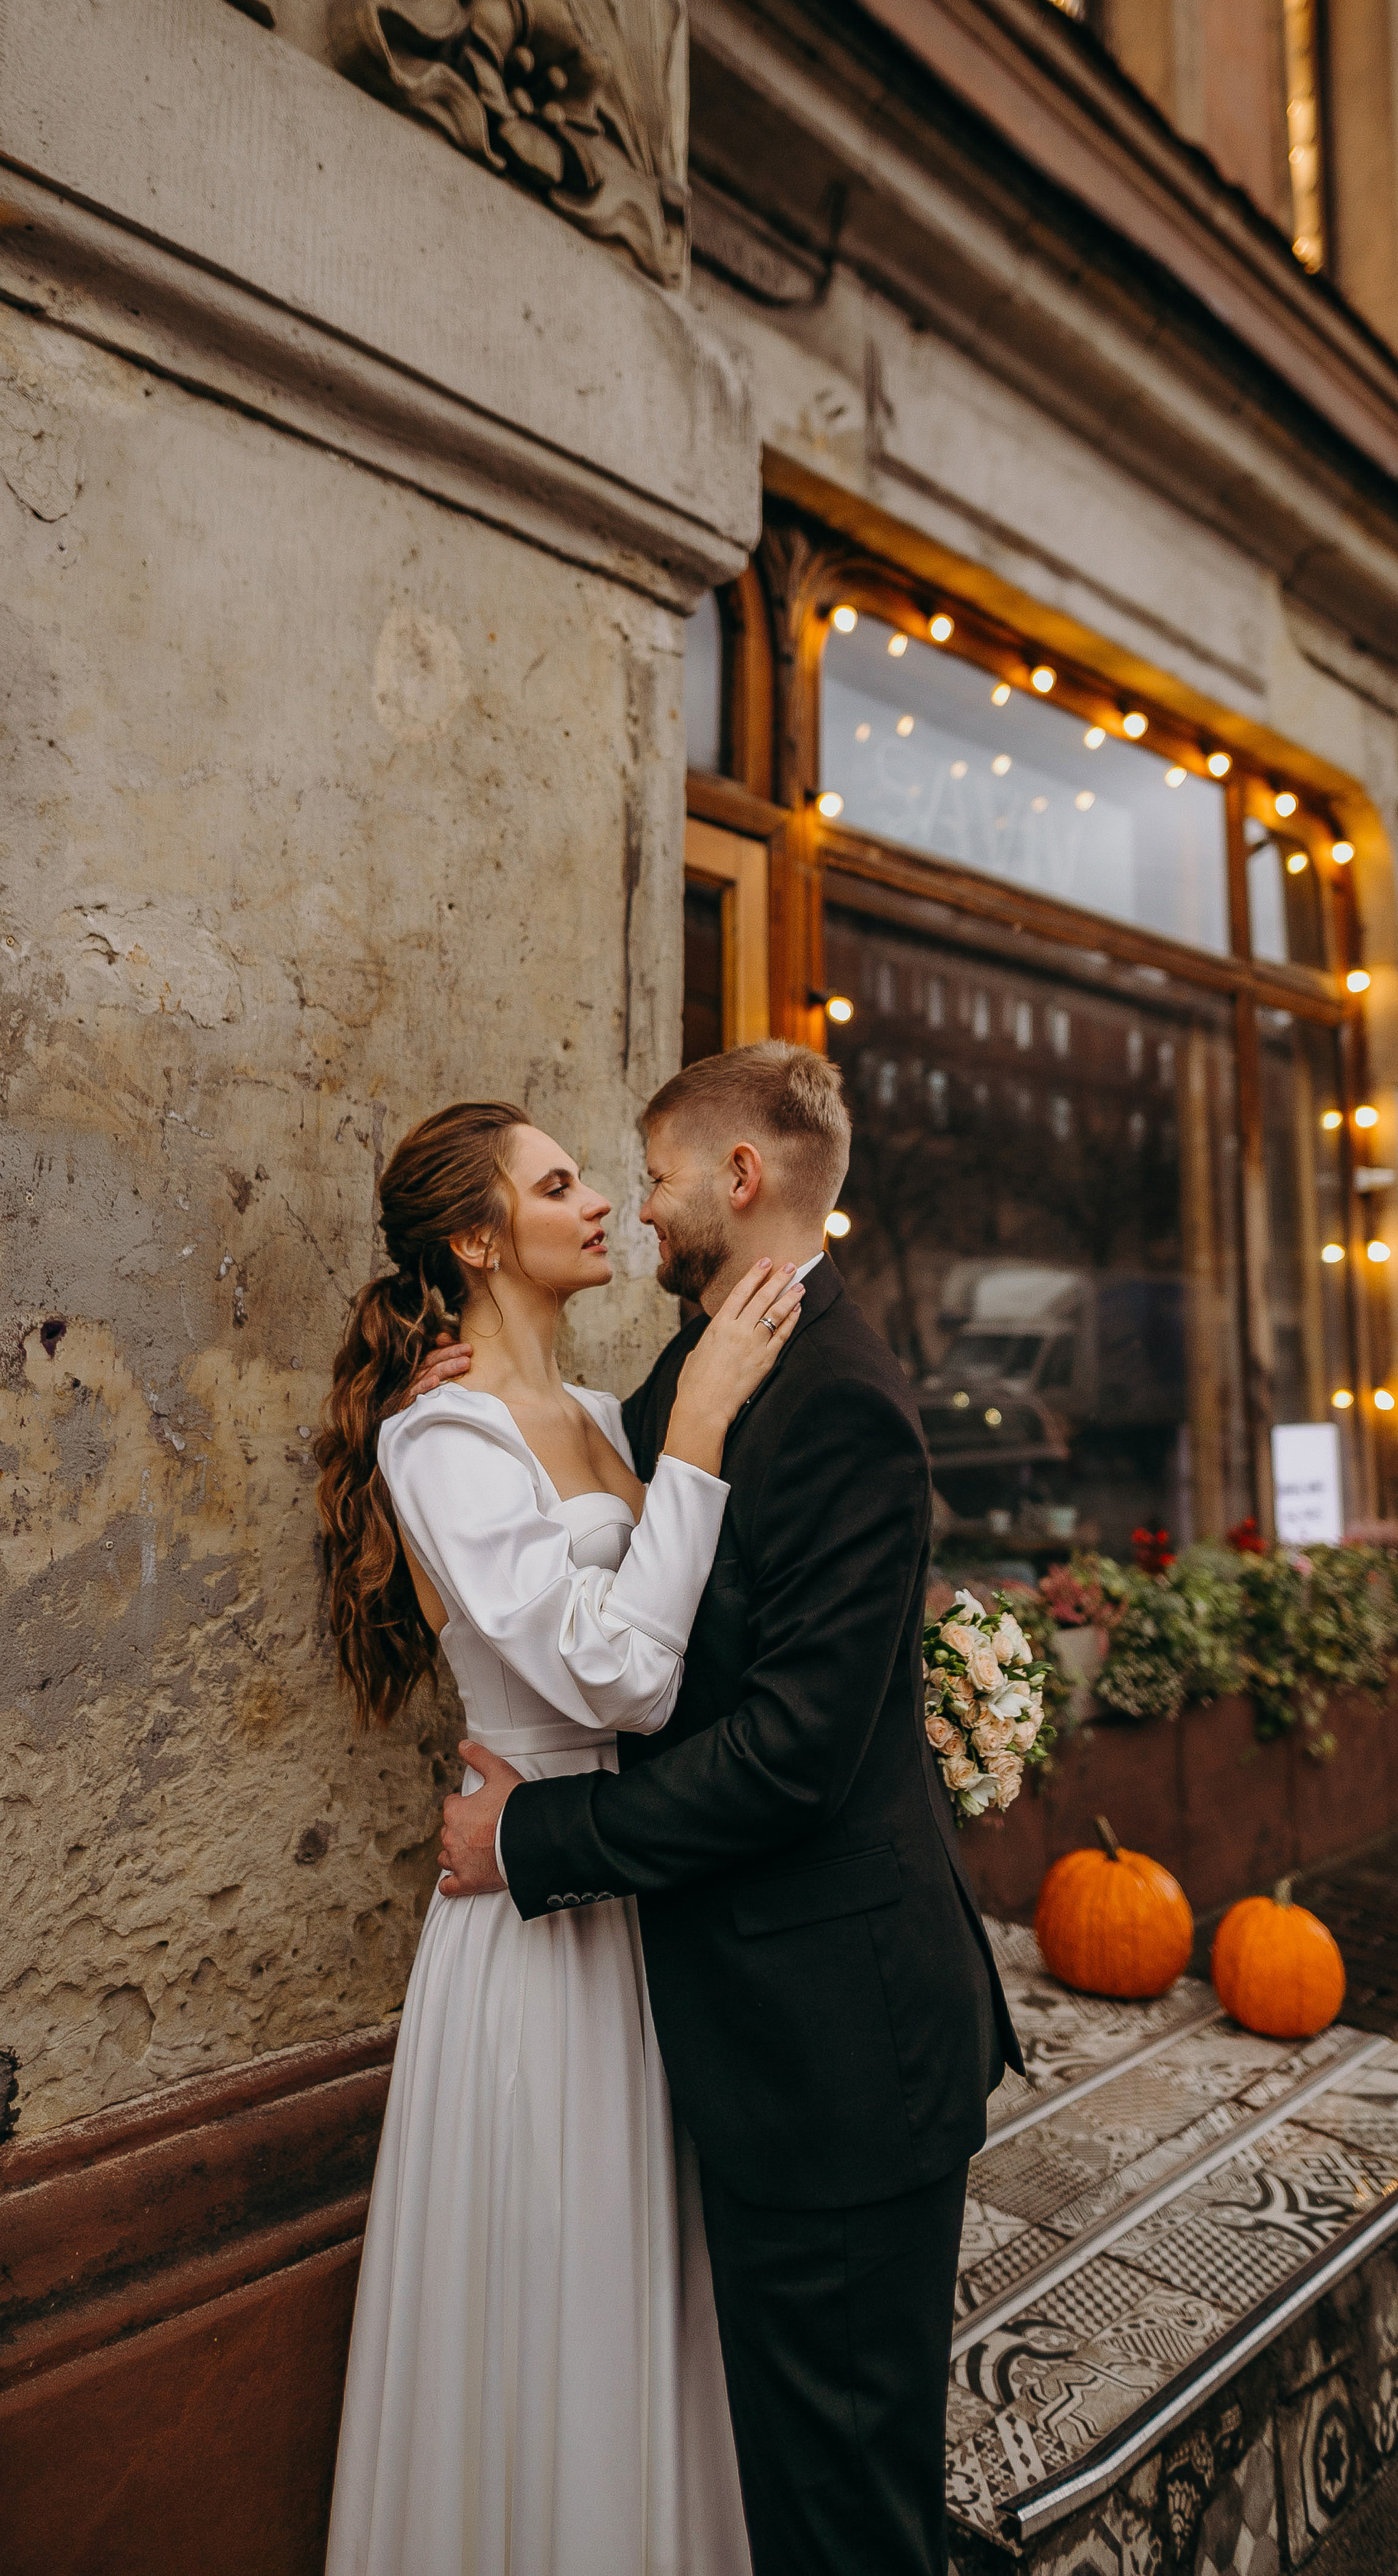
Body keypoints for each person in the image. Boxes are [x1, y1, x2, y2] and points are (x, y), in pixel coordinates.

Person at [434, 1042, 1024, 2576]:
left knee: (842, 2515)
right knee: (795, 2477)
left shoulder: (836, 1399)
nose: (639, 1206)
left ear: (740, 1180)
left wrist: (528, 1841)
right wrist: (484, 1406)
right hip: (756, 2038)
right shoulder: (703, 1378)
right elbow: (623, 1492)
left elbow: (787, 1757)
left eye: (658, 1175)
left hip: (837, 2051)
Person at [316, 1097, 803, 2576]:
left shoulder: (597, 1419)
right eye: (560, 1182)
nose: (600, 1201)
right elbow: (620, 1673)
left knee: (652, 2286)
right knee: (559, 2281)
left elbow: (688, 1635)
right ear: (477, 1237)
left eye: (597, 1179)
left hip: (644, 1893)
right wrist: (709, 1423)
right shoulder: (442, 1437)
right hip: (531, 1922)